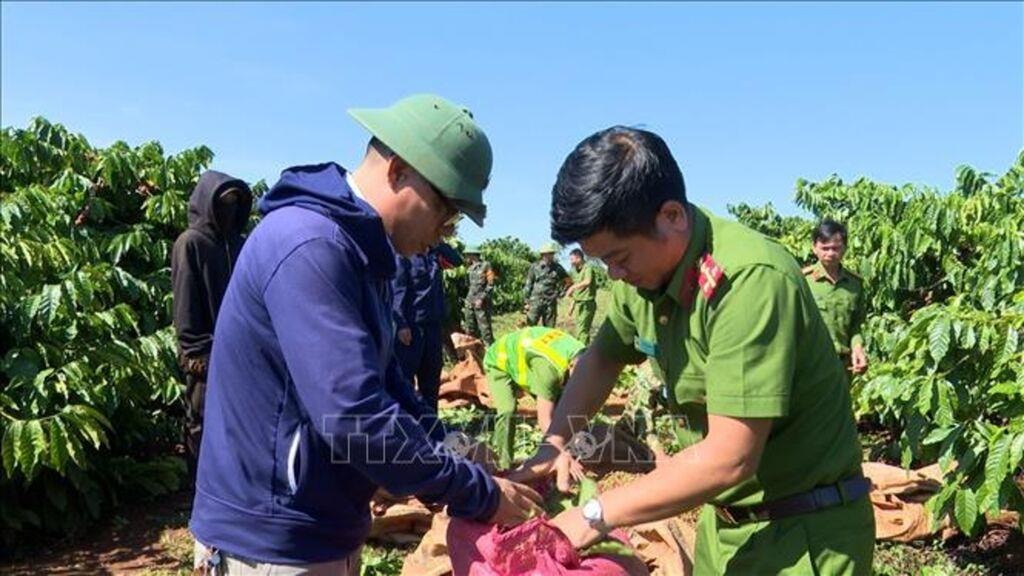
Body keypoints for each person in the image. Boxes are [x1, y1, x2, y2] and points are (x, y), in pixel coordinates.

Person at [189, 94, 542, 574]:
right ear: (398, 170)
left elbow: (388, 383)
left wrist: (449, 443)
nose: (446, 231)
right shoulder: (310, 245)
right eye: (445, 210)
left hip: (321, 526)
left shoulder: (361, 253)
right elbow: (354, 416)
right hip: (273, 540)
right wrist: (475, 493)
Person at [512, 126, 874, 575]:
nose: (615, 274)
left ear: (672, 216)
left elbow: (731, 457)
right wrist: (554, 444)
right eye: (604, 261)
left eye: (620, 257)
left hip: (805, 534)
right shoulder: (641, 280)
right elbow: (603, 358)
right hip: (723, 526)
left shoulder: (748, 282)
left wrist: (593, 516)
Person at [170, 171, 252, 478]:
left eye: (235, 203)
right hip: (205, 358)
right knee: (203, 427)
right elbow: (186, 305)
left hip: (241, 356)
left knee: (238, 429)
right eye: (223, 203)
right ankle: (201, 494)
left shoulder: (240, 244)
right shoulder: (190, 243)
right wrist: (198, 354)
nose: (229, 210)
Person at [483, 327, 585, 469]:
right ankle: (503, 465)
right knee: (508, 411)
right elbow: (544, 420)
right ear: (571, 365)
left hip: (528, 356)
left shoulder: (582, 352)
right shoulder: (548, 372)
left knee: (561, 405)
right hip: (499, 360)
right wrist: (563, 453)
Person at [393, 244, 459, 410]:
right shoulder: (405, 256)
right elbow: (398, 291)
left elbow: (457, 261)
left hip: (434, 327)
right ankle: (407, 426)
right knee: (405, 380)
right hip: (412, 328)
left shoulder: (435, 255)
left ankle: (430, 426)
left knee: (431, 380)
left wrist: (438, 243)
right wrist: (401, 325)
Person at [804, 219, 869, 376]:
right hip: (811, 364)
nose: (830, 253)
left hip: (843, 366)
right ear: (814, 248)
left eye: (836, 248)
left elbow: (856, 324)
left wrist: (858, 348)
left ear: (845, 248)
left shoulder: (855, 284)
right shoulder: (804, 281)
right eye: (825, 248)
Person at [523, 241, 570, 327]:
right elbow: (528, 284)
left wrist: (560, 293)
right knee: (530, 327)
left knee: (549, 330)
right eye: (548, 254)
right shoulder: (534, 267)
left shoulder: (558, 268)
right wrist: (526, 302)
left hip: (550, 302)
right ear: (543, 255)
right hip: (535, 301)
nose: (551, 256)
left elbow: (568, 281)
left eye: (552, 254)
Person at [462, 245, 495, 345]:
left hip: (481, 303)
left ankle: (490, 351)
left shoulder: (486, 265)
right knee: (470, 329)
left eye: (467, 255)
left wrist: (481, 298)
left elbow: (491, 284)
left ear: (473, 255)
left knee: (485, 330)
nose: (466, 257)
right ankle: (474, 353)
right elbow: (468, 285)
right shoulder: (469, 268)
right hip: (470, 302)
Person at [565, 248, 599, 344]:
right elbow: (578, 292)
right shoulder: (574, 271)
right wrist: (571, 306)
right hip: (579, 303)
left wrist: (572, 288)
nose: (570, 261)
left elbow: (587, 281)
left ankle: (581, 352)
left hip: (587, 303)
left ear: (579, 258)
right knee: (579, 329)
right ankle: (584, 351)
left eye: (572, 259)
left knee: (582, 329)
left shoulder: (588, 267)